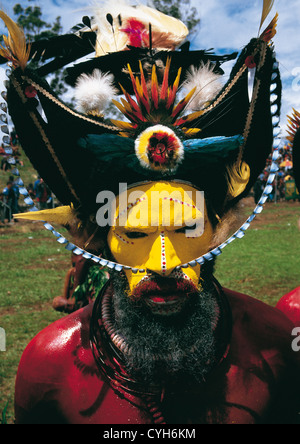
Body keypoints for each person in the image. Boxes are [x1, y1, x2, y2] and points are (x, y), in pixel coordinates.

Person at [2, 3, 299, 425]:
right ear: (101, 237)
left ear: (219, 228)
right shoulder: (47, 366)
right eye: (136, 235)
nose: (164, 264)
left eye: (186, 228)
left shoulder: (274, 343)